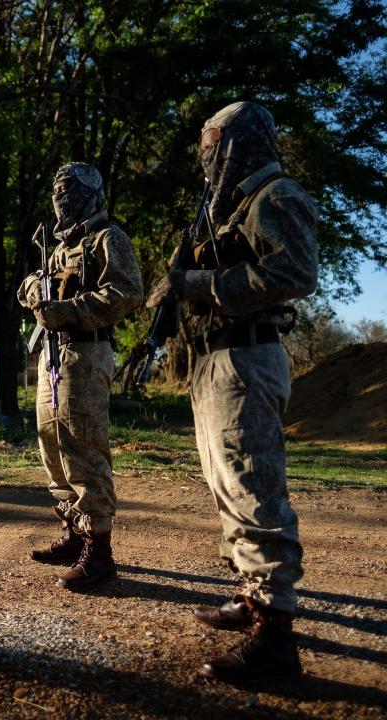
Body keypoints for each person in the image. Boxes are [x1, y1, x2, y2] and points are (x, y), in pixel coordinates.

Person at [146, 101, 318, 683]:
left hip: (247, 357)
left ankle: (274, 638)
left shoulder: (275, 196)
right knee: (228, 488)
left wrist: (203, 282)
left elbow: (295, 271)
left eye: (213, 143)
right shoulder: (227, 208)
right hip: (218, 358)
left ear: (240, 142)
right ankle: (251, 595)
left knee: (253, 489)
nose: (206, 155)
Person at [17, 162, 143, 591]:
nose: (61, 196)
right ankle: (74, 534)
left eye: (69, 189)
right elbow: (30, 285)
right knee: (52, 446)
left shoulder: (109, 238)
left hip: (86, 355)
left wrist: (68, 311)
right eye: (56, 188)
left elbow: (127, 292)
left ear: (91, 193)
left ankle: (100, 551)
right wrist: (36, 289)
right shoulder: (56, 247)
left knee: (84, 447)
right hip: (52, 357)